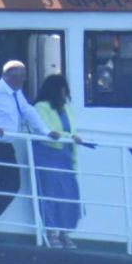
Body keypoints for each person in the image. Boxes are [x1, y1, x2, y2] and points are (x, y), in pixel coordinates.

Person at [0, 59, 54, 241]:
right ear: (8, 77)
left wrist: (45, 131)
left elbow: (29, 112)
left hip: (5, 145)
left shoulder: (17, 94)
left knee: (12, 184)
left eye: (23, 76)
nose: (22, 80)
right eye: (19, 76)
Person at [31, 72, 81, 247]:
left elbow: (70, 130)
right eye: (62, 89)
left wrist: (72, 137)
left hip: (65, 156)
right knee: (50, 193)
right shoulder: (41, 107)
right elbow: (47, 131)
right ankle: (52, 233)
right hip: (47, 155)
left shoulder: (66, 108)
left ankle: (64, 232)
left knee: (68, 194)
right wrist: (70, 136)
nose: (64, 93)